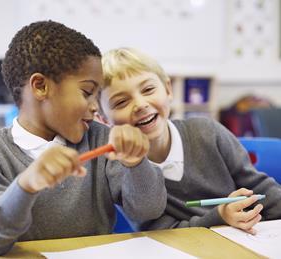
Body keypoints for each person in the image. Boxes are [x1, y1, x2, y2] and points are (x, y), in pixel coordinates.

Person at [0, 23, 166, 256]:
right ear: (40, 87)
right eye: (87, 92)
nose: (94, 107)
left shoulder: (101, 138)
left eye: (98, 97)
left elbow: (148, 211)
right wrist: (25, 185)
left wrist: (136, 164)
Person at [98, 47, 281, 235]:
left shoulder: (208, 132)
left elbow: (260, 188)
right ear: (103, 119)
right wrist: (219, 216)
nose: (140, 105)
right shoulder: (117, 168)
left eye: (148, 89)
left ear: (168, 90)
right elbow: (159, 233)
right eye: (121, 102)